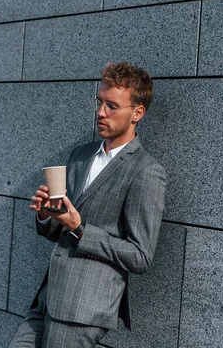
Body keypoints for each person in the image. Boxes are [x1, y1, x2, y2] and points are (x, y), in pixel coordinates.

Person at [9, 62, 167, 347]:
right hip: (47, 297)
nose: (100, 112)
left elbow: (140, 256)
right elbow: (60, 229)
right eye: (99, 102)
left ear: (137, 113)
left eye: (111, 106)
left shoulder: (146, 171)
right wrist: (47, 216)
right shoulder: (81, 156)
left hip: (83, 308)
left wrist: (80, 228)